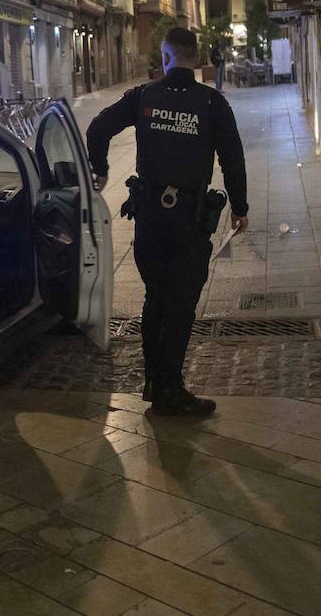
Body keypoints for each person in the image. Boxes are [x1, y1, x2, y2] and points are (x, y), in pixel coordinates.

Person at [86, 26, 248, 416]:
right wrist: (240, 208)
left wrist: (100, 168)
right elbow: (232, 157)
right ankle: (169, 388)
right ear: (196, 57)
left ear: (165, 57)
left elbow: (96, 128)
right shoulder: (211, 103)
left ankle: (156, 382)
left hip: (150, 220)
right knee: (181, 303)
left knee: (156, 298)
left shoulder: (144, 97)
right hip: (189, 222)